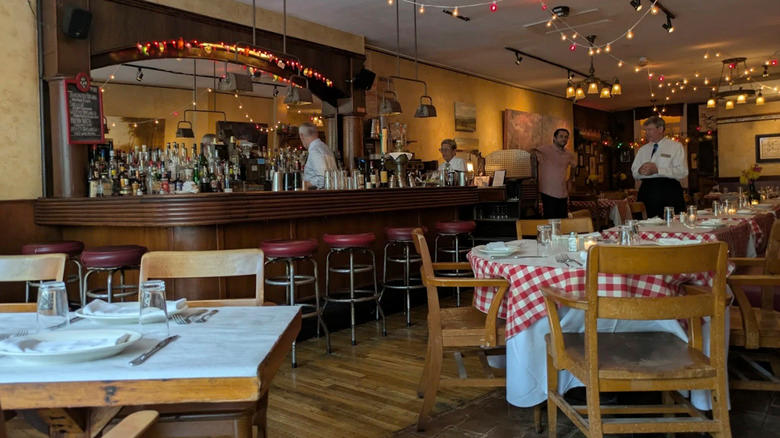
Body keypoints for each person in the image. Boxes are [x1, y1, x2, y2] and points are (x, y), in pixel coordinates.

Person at [631, 116, 687, 218]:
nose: (646, 133)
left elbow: (682, 171)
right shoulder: (642, 149)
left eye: (650, 130)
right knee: (645, 224)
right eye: (645, 130)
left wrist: (658, 170)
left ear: (660, 129)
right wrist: (639, 171)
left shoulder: (675, 146)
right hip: (647, 190)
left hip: (669, 190)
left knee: (672, 224)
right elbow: (634, 172)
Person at [533, 128, 576, 219]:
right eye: (561, 136)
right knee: (550, 220)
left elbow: (574, 166)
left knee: (563, 220)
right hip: (548, 191)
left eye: (566, 137)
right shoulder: (544, 150)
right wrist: (534, 177)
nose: (564, 139)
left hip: (562, 192)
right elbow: (530, 154)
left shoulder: (569, 154)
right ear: (554, 138)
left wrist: (570, 179)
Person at [300, 122, 337, 189]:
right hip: (330, 192)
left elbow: (323, 179)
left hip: (317, 195)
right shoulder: (326, 147)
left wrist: (304, 184)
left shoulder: (315, 151)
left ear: (302, 136)